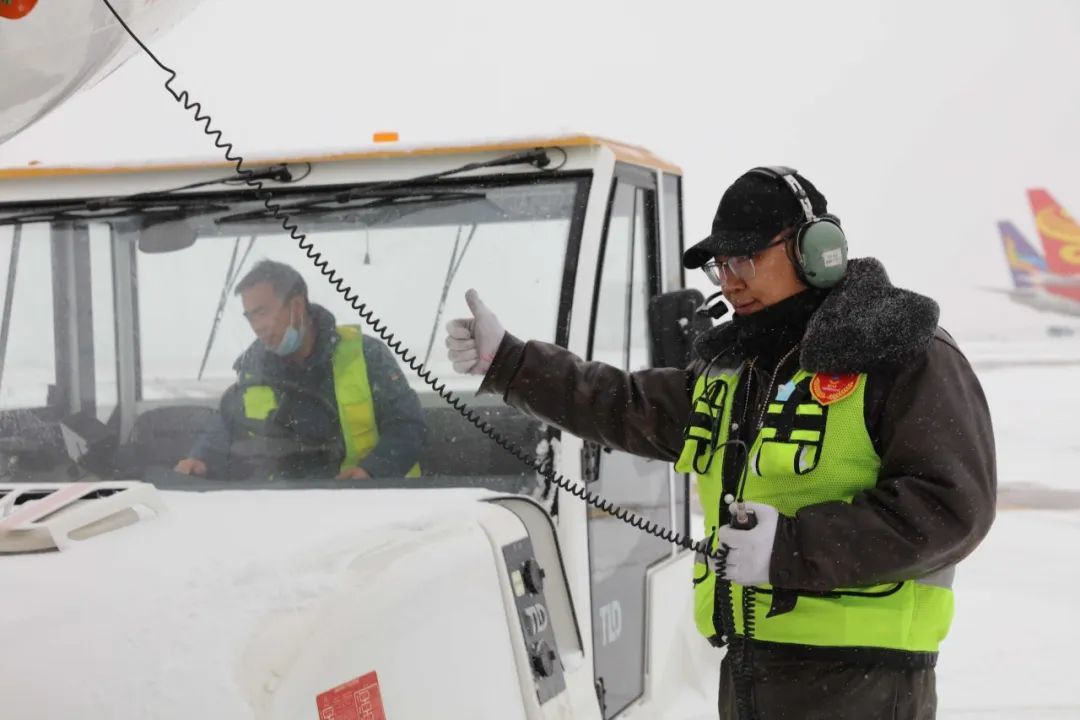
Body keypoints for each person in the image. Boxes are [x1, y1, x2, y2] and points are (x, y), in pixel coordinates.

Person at [445, 166, 996, 719]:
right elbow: (625, 403)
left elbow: (952, 508)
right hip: (750, 669)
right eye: (720, 265)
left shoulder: (901, 353)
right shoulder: (734, 369)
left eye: (744, 259)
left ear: (814, 249)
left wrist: (789, 548)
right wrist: (512, 364)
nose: (729, 281)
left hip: (864, 682)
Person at [174, 259, 428, 480]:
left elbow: (407, 425)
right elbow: (230, 424)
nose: (257, 327)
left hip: (364, 498)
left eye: (262, 313)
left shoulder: (366, 355)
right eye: (250, 317)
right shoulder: (253, 367)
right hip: (283, 501)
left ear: (296, 306)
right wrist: (201, 458)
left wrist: (372, 470)